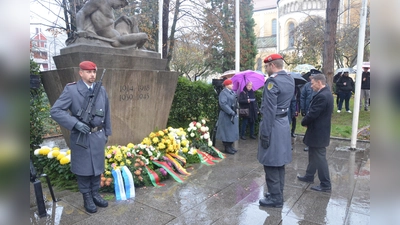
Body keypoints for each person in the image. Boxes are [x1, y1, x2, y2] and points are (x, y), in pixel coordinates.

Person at [50, 61, 112, 213]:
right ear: (81, 73)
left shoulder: (101, 90)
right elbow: (56, 110)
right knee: (84, 169)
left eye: (94, 72)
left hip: (97, 135)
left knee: (97, 168)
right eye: (88, 72)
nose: (92, 75)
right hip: (81, 137)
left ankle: (95, 194)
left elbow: (108, 112)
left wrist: (106, 133)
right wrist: (75, 124)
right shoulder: (71, 90)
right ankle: (87, 197)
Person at [258, 53, 294, 207]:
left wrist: (265, 134)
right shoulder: (290, 79)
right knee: (280, 162)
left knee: (271, 162)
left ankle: (275, 199)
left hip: (273, 125)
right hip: (284, 123)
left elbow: (269, 111)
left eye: (266, 66)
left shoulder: (272, 82)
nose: (266, 69)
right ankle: (277, 192)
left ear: (272, 65)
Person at [297, 73, 333, 192]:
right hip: (317, 131)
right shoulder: (325, 93)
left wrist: (303, 121)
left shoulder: (323, 96)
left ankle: (325, 184)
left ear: (319, 82)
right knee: (313, 155)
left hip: (318, 132)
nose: (311, 86)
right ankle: (309, 175)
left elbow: (313, 113)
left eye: (312, 84)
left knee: (320, 158)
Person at [75, 0, 148, 48]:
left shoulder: (109, 8)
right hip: (116, 39)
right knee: (144, 36)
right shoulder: (99, 1)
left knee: (132, 19)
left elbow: (107, 25)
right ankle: (138, 48)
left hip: (117, 33)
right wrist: (80, 29)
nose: (119, 8)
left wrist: (119, 20)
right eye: (120, 5)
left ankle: (139, 49)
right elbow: (81, 13)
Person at [216, 79, 239, 155]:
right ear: (226, 85)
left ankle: (230, 146)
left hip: (232, 115)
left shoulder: (232, 92)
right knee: (226, 132)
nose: (232, 85)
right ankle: (227, 147)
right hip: (226, 115)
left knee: (231, 132)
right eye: (231, 84)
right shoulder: (223, 93)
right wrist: (231, 112)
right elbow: (223, 104)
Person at [300, 79, 317, 151]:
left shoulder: (321, 86)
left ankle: (315, 143)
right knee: (309, 127)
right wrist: (302, 109)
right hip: (308, 109)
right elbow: (302, 97)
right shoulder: (307, 85)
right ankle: (309, 144)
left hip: (316, 110)